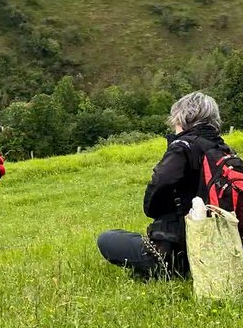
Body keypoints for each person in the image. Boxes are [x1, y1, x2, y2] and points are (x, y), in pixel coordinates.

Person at [96, 91, 232, 279]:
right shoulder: (225, 151)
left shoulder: (183, 148)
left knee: (108, 239)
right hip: (223, 250)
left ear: (182, 118)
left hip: (177, 252)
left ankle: (163, 269)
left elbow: (154, 197)